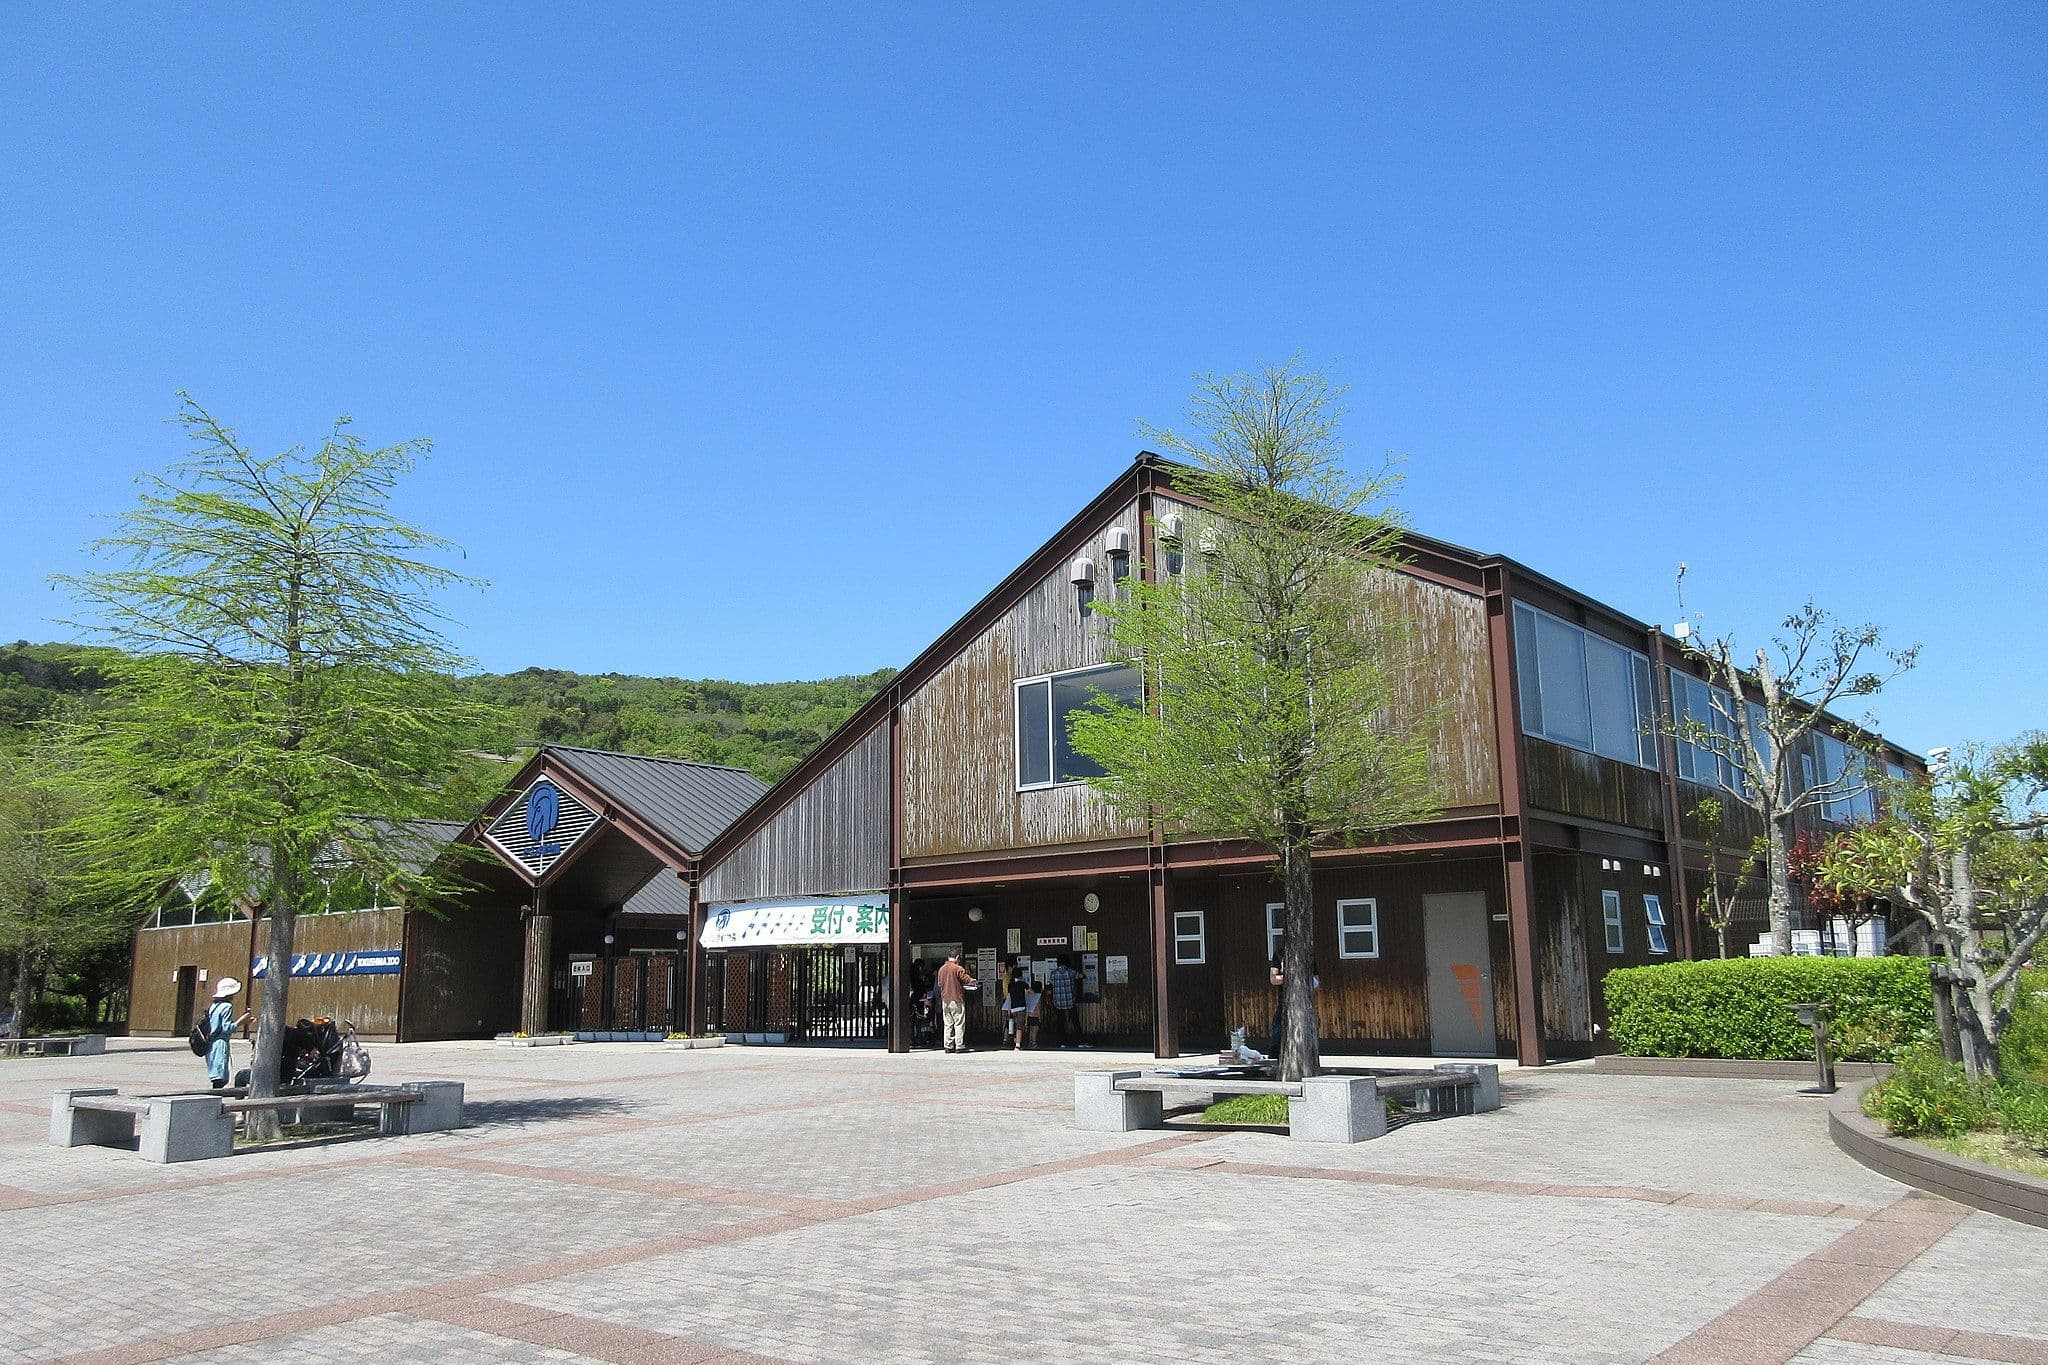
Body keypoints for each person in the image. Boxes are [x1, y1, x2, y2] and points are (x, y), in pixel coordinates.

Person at [1268, 938, 1321, 1067]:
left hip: (1304, 1001)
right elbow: (1273, 979)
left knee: (1305, 1034)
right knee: (1278, 1033)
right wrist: (1291, 976)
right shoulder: (1279, 953)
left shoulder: (1308, 953)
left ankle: (1305, 1063)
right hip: (1285, 1001)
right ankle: (1274, 1062)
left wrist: (1304, 979)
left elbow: (1316, 981)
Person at [200, 977, 250, 1091]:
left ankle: (215, 1097)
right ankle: (217, 1099)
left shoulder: (214, 1006)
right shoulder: (227, 1006)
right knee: (220, 1076)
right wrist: (241, 1021)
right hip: (220, 1042)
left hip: (211, 1043)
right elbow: (227, 1027)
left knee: (215, 1074)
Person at [933, 950, 979, 1054]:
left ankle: (948, 1046)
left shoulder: (941, 969)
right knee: (959, 1023)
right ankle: (959, 1045)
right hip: (957, 998)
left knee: (948, 1023)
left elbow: (940, 984)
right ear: (957, 957)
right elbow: (966, 979)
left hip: (945, 999)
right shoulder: (958, 968)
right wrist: (973, 980)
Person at [1044, 954, 1083, 1049]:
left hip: (1058, 1003)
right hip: (1070, 1002)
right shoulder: (1071, 972)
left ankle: (1063, 1042)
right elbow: (1082, 976)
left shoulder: (1053, 973)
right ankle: (1080, 1042)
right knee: (1075, 1022)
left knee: (1060, 1023)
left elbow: (1051, 985)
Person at [1002, 957, 1031, 1051]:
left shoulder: (1010, 984)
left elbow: (1009, 996)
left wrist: (1009, 1008)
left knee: (1012, 1025)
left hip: (1012, 1007)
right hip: (1021, 1007)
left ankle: (1013, 1040)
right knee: (1019, 1026)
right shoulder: (1023, 983)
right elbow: (1031, 991)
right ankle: (1017, 1044)